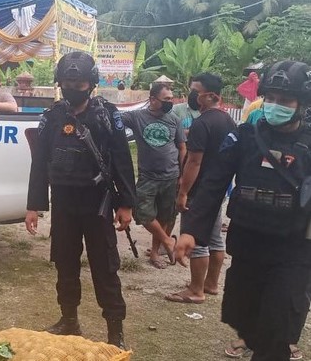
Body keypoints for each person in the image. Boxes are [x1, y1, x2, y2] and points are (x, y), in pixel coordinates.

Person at [175, 60, 311, 360]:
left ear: (301, 103)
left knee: (275, 328)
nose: (275, 105)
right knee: (243, 320)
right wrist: (191, 232)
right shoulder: (244, 137)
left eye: (285, 100)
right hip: (248, 246)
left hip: (292, 252)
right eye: (270, 98)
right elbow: (213, 184)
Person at [25, 51, 135, 348]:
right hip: (63, 201)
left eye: (79, 82)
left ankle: (115, 330)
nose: (72, 87)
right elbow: (39, 162)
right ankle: (69, 319)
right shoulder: (52, 117)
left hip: (96, 201)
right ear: (59, 83)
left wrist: (125, 204)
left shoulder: (107, 115)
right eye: (67, 82)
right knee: (64, 261)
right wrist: (33, 205)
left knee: (104, 266)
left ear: (92, 83)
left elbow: (123, 161)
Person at [167, 73, 235, 304]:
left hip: (199, 189)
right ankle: (211, 284)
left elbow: (194, 161)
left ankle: (196, 290)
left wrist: (184, 192)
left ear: (211, 96)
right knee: (215, 238)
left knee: (195, 238)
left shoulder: (202, 123)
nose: (192, 95)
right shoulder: (228, 122)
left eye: (196, 91)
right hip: (219, 189)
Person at [122, 84, 186, 269]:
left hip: (171, 176)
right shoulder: (137, 117)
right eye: (166, 99)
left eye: (171, 98)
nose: (170, 102)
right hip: (147, 176)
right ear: (152, 99)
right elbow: (113, 117)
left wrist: (182, 175)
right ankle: (167, 241)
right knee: (142, 213)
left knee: (165, 216)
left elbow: (182, 148)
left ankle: (156, 253)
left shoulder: (174, 120)